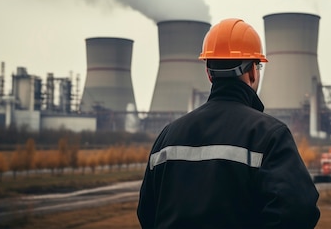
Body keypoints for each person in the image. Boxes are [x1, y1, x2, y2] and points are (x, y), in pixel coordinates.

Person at [137, 18, 320, 229]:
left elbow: (147, 212)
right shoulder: (268, 135)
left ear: (208, 73)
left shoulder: (167, 137)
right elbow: (298, 211)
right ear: (252, 70)